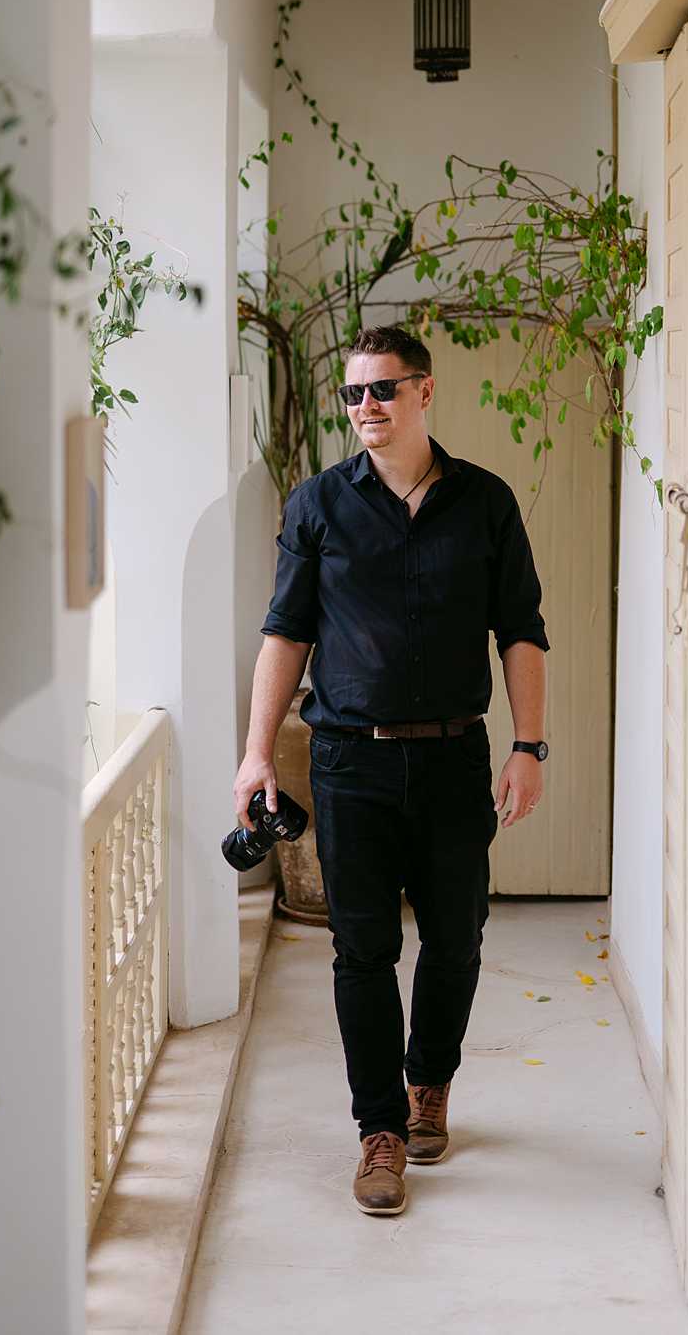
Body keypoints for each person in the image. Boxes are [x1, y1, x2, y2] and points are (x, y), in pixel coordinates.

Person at [234, 324, 550, 1217]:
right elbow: (285, 634)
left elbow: (520, 630)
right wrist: (258, 751)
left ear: (425, 393)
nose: (365, 408)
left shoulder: (485, 503)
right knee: (362, 952)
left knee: (457, 938)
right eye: (353, 394)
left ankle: (429, 1085)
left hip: (456, 759)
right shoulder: (318, 506)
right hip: (347, 764)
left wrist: (529, 746)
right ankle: (379, 1131)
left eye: (382, 390)